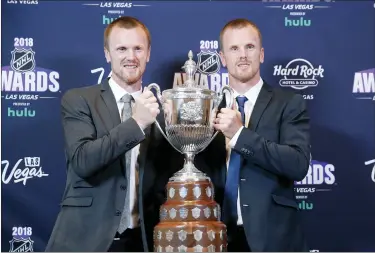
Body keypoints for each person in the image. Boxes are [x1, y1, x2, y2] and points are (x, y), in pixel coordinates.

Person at [45, 16, 178, 252]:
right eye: (121, 49)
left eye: (138, 48)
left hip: (145, 240)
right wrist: (136, 123)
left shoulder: (163, 110)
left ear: (148, 53)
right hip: (86, 240)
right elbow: (84, 161)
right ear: (107, 54)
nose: (131, 57)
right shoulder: (79, 100)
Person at [195, 18, 311, 251]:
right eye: (234, 48)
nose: (243, 55)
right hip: (214, 236)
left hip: (272, 238)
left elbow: (298, 164)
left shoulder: (288, 103)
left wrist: (239, 134)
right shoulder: (207, 109)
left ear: (262, 54)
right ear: (222, 58)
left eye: (250, 47)